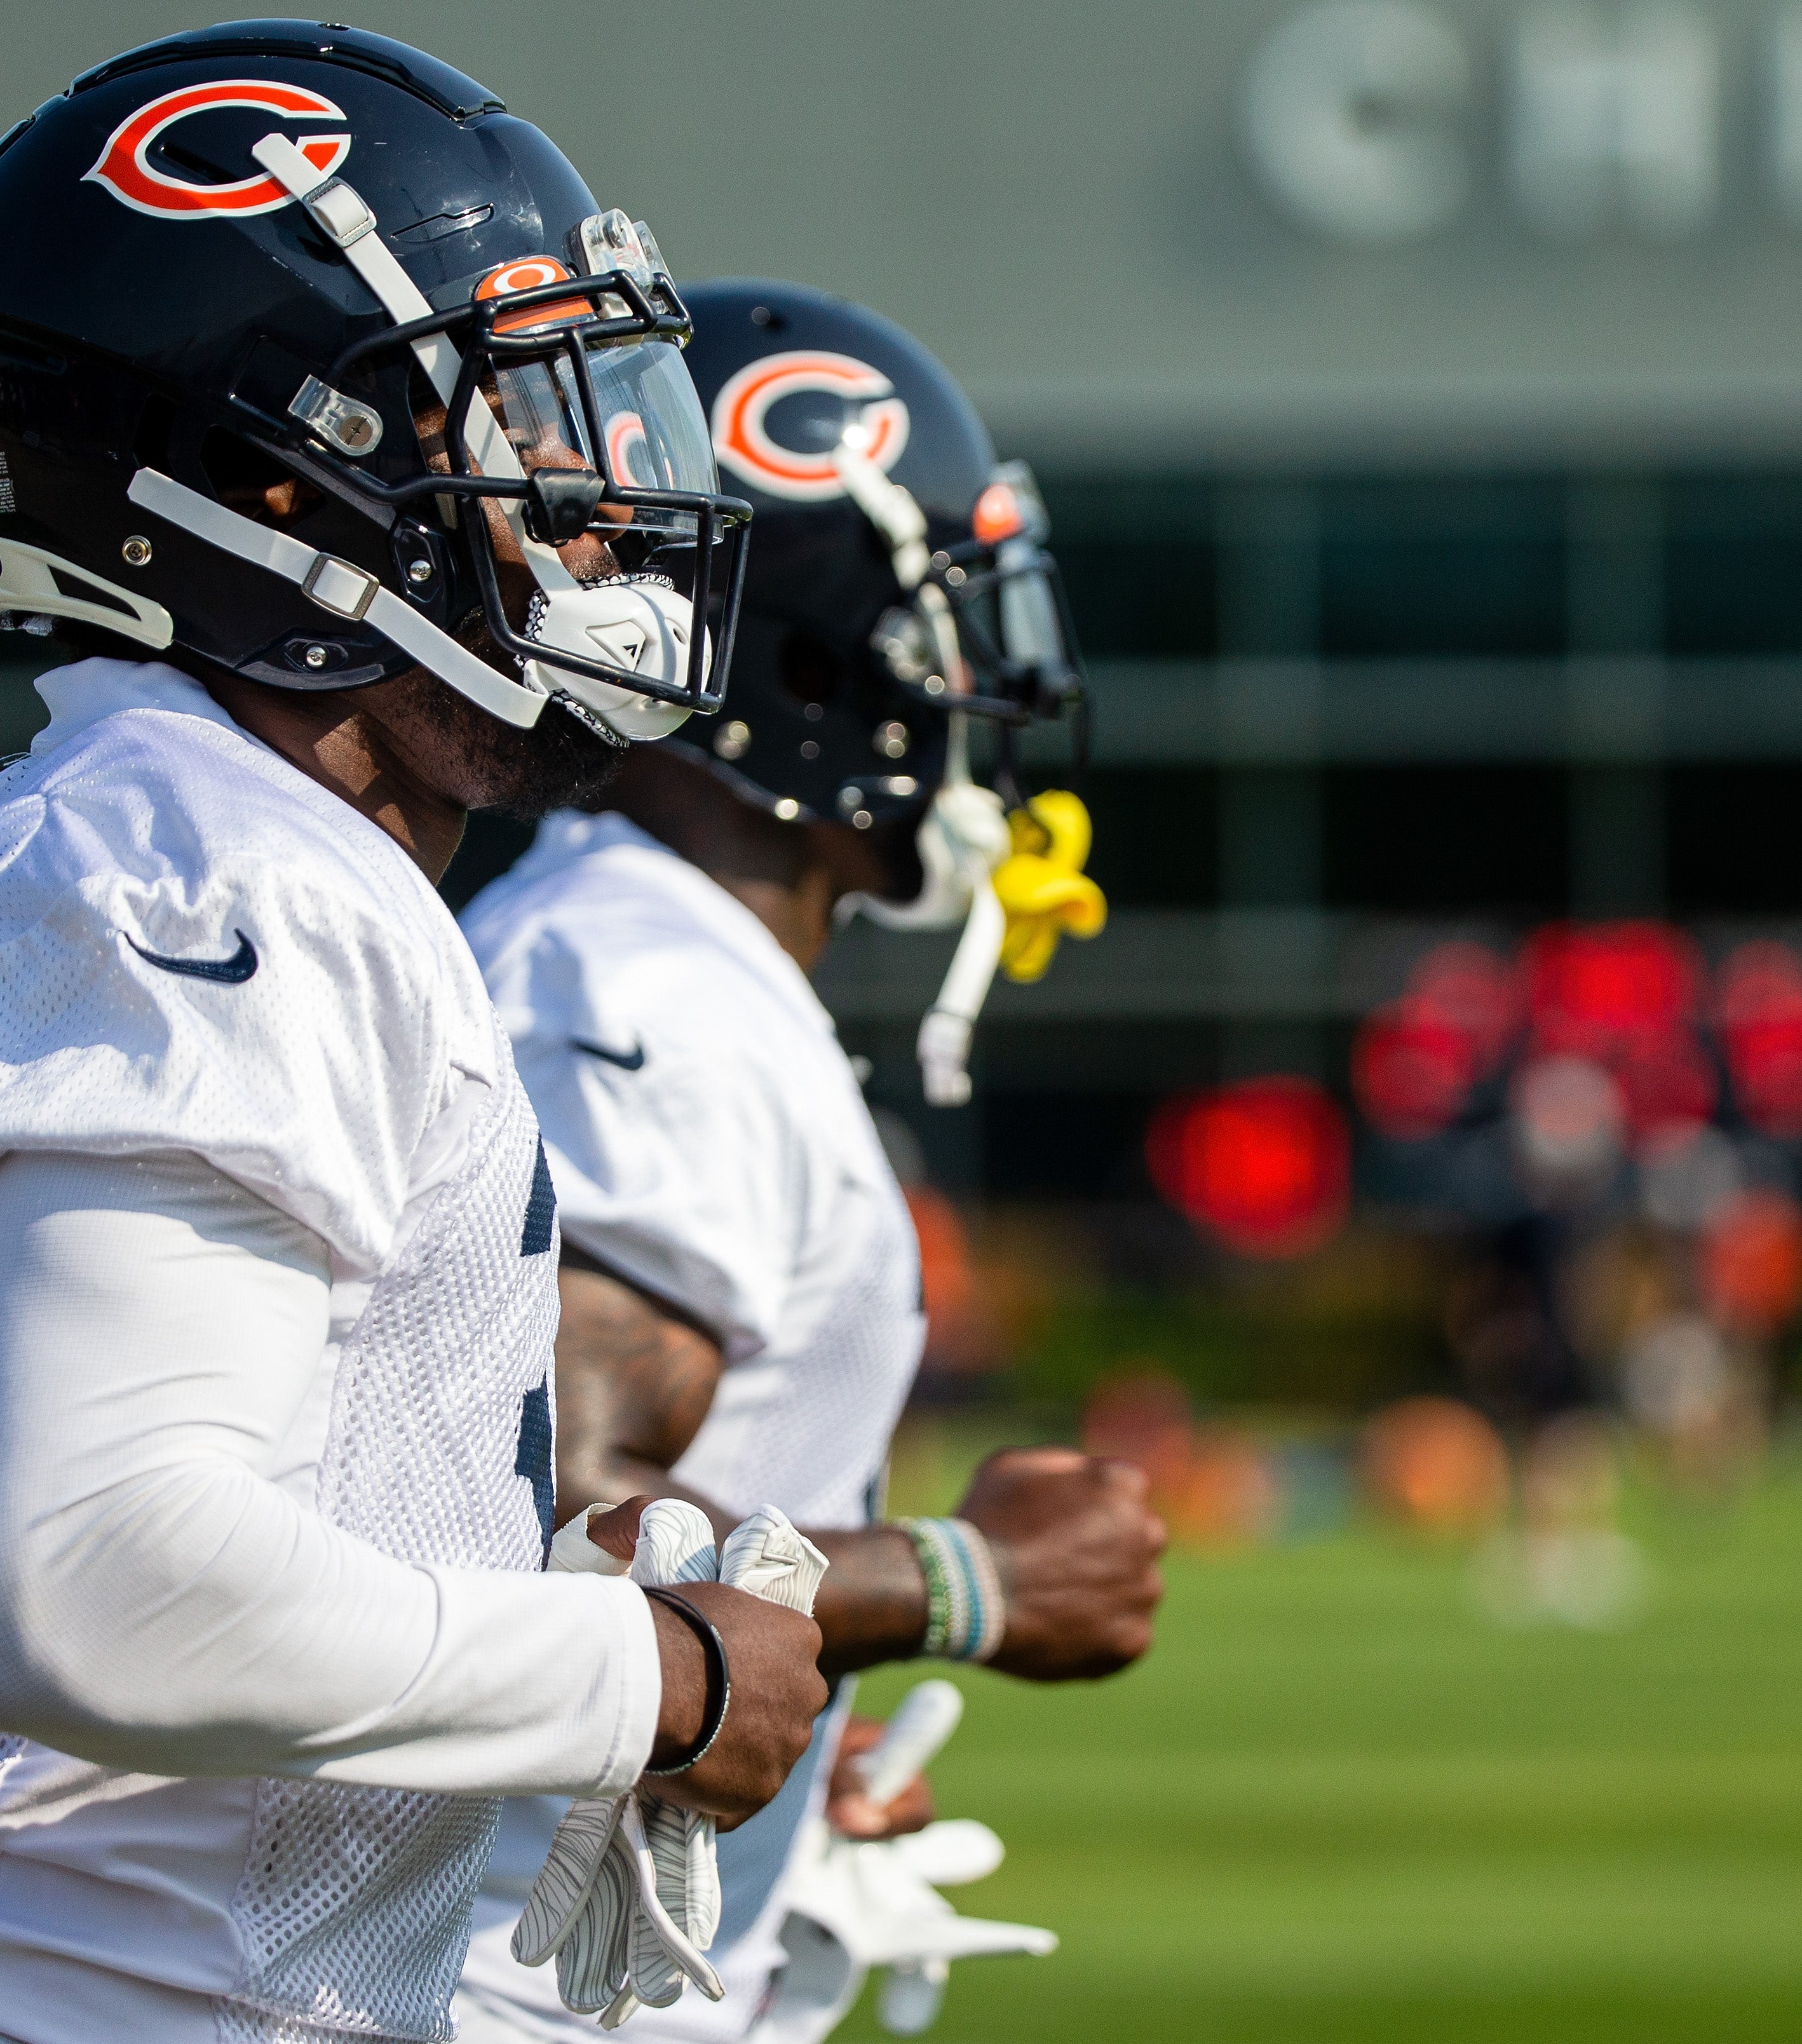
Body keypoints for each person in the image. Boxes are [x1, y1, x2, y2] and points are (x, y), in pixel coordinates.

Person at [0, 26, 827, 2044]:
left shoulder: (249, 848)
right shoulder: (203, 862)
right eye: (506, 420)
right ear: (271, 487)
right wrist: (647, 1673)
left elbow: (189, 1512)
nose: (590, 495)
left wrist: (535, 1567)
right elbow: (96, 1579)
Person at [452, 280, 1164, 2043]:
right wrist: (959, 1578)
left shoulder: (662, 958)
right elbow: (541, 1527)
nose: (978, 687)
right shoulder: (633, 977)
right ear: (814, 653)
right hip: (493, 1986)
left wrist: (789, 1730)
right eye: (944, 623)